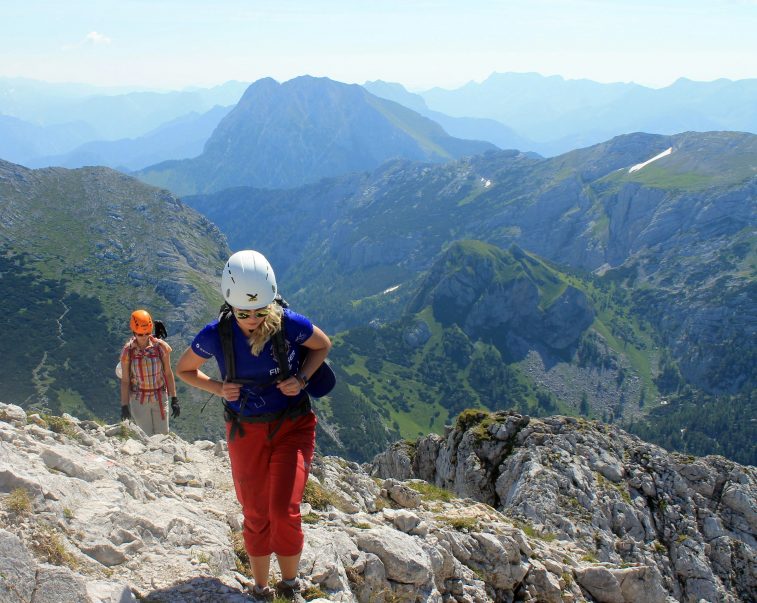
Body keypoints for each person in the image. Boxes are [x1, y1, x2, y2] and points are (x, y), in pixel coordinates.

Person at [175, 250, 331, 602]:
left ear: (271, 301)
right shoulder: (216, 333)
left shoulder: (288, 323)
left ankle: (289, 586)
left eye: (261, 311)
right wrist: (217, 388)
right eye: (244, 313)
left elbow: (322, 345)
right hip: (246, 430)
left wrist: (302, 379)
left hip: (293, 425)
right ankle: (260, 588)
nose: (253, 319)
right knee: (256, 512)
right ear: (230, 305)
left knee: (283, 510)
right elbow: (183, 369)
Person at [120, 309, 180, 435]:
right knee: (146, 436)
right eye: (140, 334)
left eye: (147, 333)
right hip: (139, 399)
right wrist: (124, 406)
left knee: (163, 435)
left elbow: (168, 373)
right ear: (134, 332)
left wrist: (174, 398)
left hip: (159, 397)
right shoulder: (128, 352)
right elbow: (125, 381)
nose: (143, 337)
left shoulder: (161, 347)